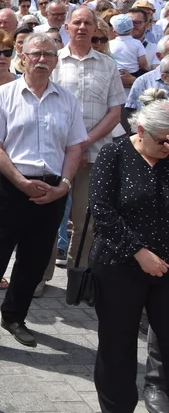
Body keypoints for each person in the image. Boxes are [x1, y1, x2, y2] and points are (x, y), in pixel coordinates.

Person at [0, 33, 87, 350]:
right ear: (24, 56)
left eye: (49, 54)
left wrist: (65, 185)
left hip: (52, 189)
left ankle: (14, 316)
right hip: (10, 187)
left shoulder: (68, 100)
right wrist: (19, 181)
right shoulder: (4, 96)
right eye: (36, 54)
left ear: (56, 60)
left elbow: (75, 147)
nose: (42, 59)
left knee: (33, 261)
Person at [90, 89, 169, 413]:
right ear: (140, 131)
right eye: (162, 140)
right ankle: (117, 405)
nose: (168, 147)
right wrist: (139, 252)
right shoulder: (115, 155)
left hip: (166, 268)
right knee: (117, 344)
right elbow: (102, 210)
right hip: (118, 266)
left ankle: (159, 387)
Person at [45, 6, 124, 285]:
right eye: (76, 22)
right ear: (66, 27)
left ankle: (77, 281)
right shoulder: (53, 61)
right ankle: (40, 278)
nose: (81, 27)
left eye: (87, 23)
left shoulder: (108, 65)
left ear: (95, 29)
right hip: (55, 154)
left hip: (94, 156)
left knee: (86, 223)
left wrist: (82, 143)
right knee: (49, 221)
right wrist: (70, 146)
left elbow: (115, 112)